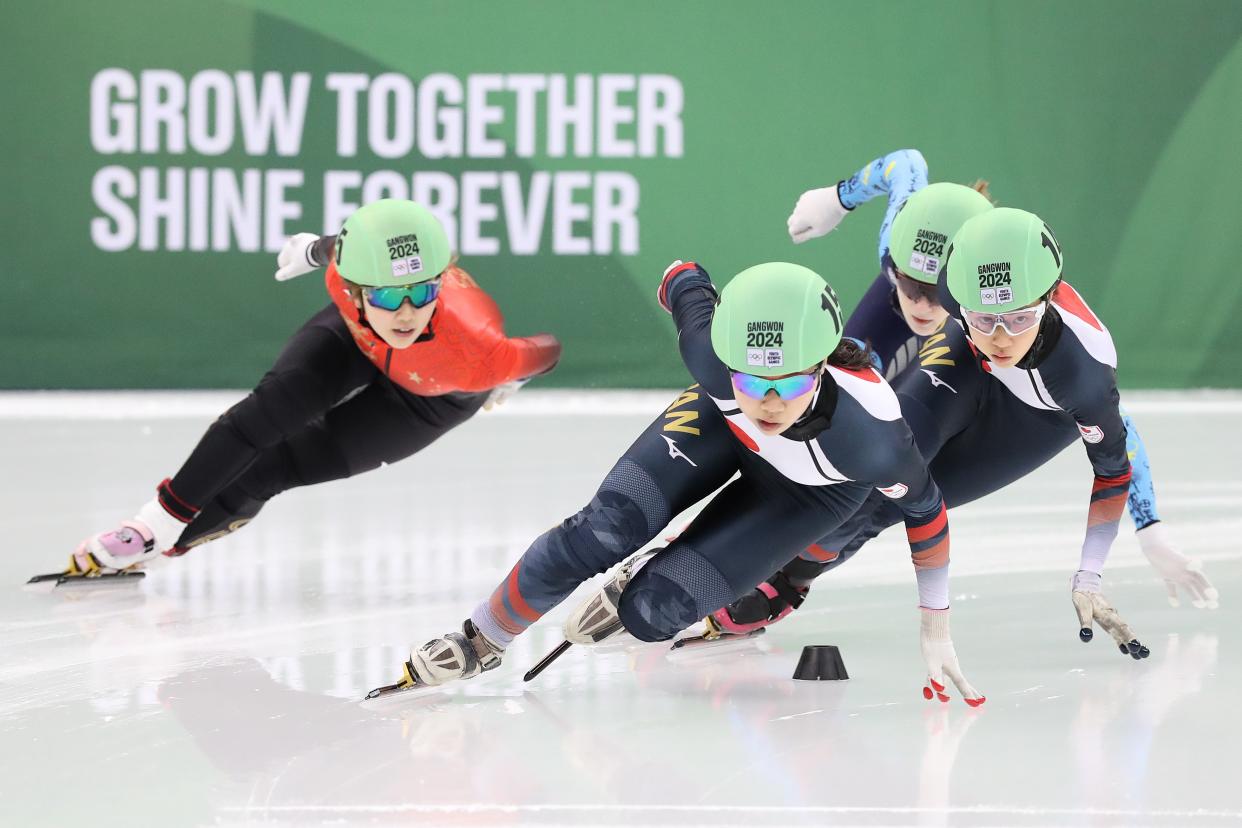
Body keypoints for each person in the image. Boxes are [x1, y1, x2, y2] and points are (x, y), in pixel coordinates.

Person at [381, 260, 986, 705]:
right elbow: (683, 275)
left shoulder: (874, 436)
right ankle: (481, 638)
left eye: (791, 384)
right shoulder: (711, 354)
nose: (769, 403)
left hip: (813, 490)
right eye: (752, 381)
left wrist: (935, 622)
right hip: (720, 430)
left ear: (823, 365)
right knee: (603, 528)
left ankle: (638, 584)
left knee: (653, 612)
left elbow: (927, 513)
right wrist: (685, 282)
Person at [720, 206, 1167, 658]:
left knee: (889, 507)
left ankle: (792, 579)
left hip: (1035, 421)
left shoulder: (1084, 372)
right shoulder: (959, 307)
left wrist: (1091, 573)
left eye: (1018, 319)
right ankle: (742, 537)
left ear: (1048, 298)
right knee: (879, 466)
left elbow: (1113, 468)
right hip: (964, 364)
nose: (1000, 337)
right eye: (981, 316)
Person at [782, 150, 1216, 609]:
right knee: (824, 420)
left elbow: (1112, 422)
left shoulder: (994, 316)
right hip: (909, 330)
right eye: (909, 284)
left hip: (968, 344)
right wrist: (838, 199)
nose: (923, 306)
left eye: (936, 292)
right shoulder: (899, 238)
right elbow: (906, 166)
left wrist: (1149, 528)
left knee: (886, 489)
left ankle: (783, 583)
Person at [61, 199, 561, 578]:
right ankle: (149, 529)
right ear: (357, 285)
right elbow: (334, 247)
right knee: (269, 412)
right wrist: (311, 248)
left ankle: (172, 543)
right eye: (387, 294)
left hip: (432, 395)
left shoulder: (480, 351)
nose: (406, 313)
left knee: (274, 467)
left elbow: (548, 348)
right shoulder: (344, 269)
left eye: (423, 291)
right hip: (354, 338)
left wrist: (512, 373)